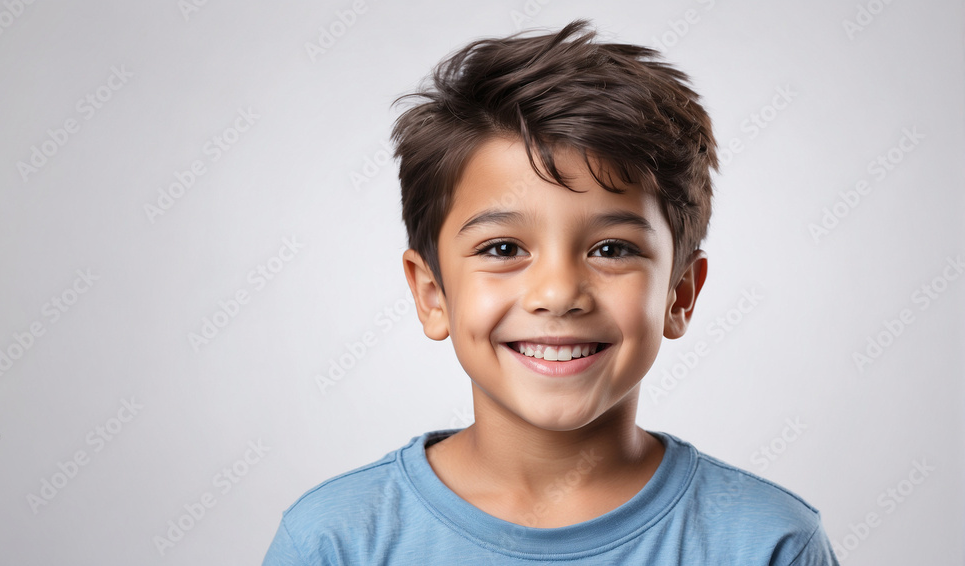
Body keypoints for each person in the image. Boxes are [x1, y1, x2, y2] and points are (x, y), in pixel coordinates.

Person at [262, 19, 840, 565]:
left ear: (679, 294)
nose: (559, 293)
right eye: (503, 249)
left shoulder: (768, 544)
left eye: (611, 249)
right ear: (432, 294)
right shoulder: (334, 542)